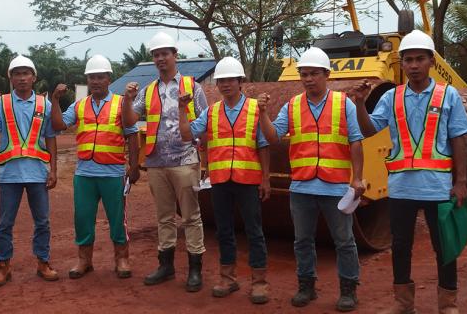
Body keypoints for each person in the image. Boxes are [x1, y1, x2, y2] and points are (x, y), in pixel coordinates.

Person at [350, 30, 467, 314]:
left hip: (439, 187)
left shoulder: (448, 95)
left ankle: (448, 305)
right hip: (402, 188)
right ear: (401, 64)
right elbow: (369, 130)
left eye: (419, 59)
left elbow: (459, 138)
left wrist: (462, 181)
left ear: (431, 61)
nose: (414, 65)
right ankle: (404, 304)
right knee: (401, 247)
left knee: (444, 247)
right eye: (408, 60)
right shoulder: (391, 97)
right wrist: (358, 103)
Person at [258, 46, 365, 312]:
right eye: (304, 74)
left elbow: (355, 142)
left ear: (326, 74)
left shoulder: (343, 104)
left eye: (314, 73)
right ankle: (307, 286)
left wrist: (358, 178)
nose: (308, 79)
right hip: (302, 186)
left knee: (344, 241)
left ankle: (348, 289)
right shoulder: (293, 105)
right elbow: (273, 137)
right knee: (302, 240)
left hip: (336, 186)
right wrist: (262, 114)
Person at [178, 57, 271, 304]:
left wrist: (266, 179)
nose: (226, 84)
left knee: (254, 231)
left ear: (240, 82)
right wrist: (181, 109)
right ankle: (228, 278)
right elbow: (187, 134)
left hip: (248, 179)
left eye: (230, 80)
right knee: (224, 231)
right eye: (221, 80)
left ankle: (259, 282)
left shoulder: (254, 108)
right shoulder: (211, 111)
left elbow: (263, 145)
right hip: (220, 180)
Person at [122, 31, 207, 292]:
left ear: (175, 56)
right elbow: (129, 122)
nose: (160, 58)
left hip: (185, 160)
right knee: (165, 217)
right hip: (157, 162)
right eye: (156, 55)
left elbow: (205, 123)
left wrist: (202, 160)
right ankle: (166, 266)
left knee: (191, 217)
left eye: (164, 54)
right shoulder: (148, 91)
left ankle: (195, 270)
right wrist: (126, 100)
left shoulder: (192, 86)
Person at [50, 54, 140, 280]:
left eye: (100, 77)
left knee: (117, 218)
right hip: (84, 174)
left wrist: (134, 165)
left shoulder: (121, 103)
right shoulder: (79, 105)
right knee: (83, 217)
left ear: (109, 78)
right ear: (87, 80)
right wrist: (54, 101)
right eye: (92, 77)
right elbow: (59, 124)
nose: (96, 81)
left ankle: (121, 258)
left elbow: (132, 134)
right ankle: (84, 260)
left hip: (113, 172)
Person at [0, 55, 59, 287]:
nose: (21, 78)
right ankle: (3, 265)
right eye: (16, 74)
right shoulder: (3, 103)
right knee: (5, 224)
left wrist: (53, 170)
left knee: (43, 222)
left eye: (25, 73)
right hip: (10, 175)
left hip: (37, 173)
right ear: (10, 78)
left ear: (34, 77)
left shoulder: (44, 104)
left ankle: (43, 262)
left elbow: (50, 138)